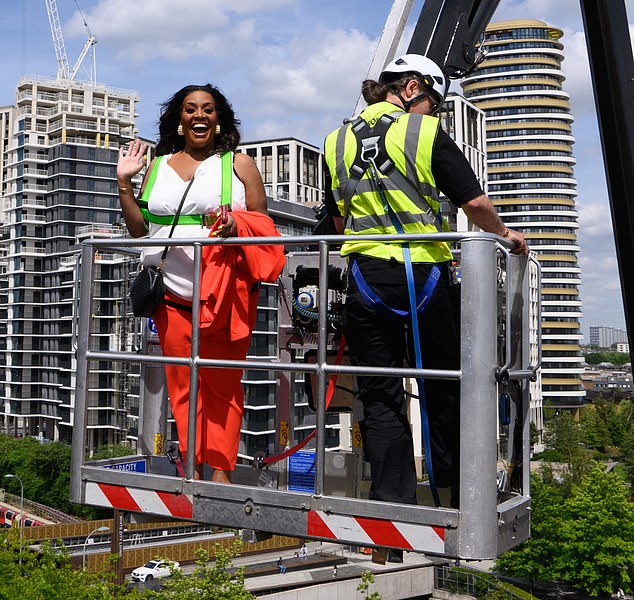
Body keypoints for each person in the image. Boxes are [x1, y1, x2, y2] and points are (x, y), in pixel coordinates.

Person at [323, 54, 528, 510]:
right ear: (413, 88)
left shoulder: (335, 140)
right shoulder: (425, 132)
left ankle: (390, 502)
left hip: (363, 279)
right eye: (433, 102)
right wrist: (506, 235)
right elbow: (474, 204)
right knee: (446, 384)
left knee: (380, 396)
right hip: (424, 277)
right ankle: (457, 495)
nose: (434, 112)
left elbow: (339, 221)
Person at [117, 84, 285, 483]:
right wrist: (125, 183)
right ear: (179, 120)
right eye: (190, 109)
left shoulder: (239, 165)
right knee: (183, 388)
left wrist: (235, 224)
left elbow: (265, 229)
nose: (199, 116)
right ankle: (191, 463)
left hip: (225, 298)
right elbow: (140, 231)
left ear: (218, 119)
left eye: (208, 110)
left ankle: (221, 470)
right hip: (170, 298)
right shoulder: (156, 167)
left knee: (222, 388)